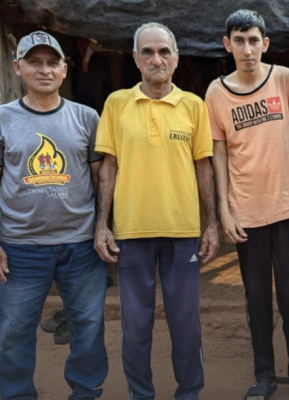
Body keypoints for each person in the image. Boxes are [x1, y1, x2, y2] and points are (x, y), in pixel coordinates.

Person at [0, 30, 108, 400]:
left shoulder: (86, 117)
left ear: (65, 69)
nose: (44, 70)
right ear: (18, 67)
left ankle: (85, 393)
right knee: (15, 332)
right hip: (21, 248)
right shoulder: (0, 118)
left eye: (52, 62)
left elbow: (102, 178)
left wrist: (102, 227)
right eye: (34, 62)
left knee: (89, 328)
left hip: (81, 246)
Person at [93, 22, 220, 400]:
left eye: (164, 51)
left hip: (183, 232)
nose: (156, 59)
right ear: (135, 59)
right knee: (135, 326)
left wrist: (211, 224)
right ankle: (140, 394)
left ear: (176, 58)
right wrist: (102, 224)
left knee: (186, 324)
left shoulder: (194, 106)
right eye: (147, 52)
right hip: (131, 232)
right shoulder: (117, 103)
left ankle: (189, 393)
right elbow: (108, 167)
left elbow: (203, 167)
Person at [205, 9, 289, 400]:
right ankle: (264, 375)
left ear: (265, 43)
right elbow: (219, 154)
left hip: (287, 209)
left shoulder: (284, 79)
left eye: (254, 40)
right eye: (239, 41)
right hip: (246, 212)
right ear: (227, 45)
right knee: (256, 299)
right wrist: (224, 211)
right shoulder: (216, 92)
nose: (247, 49)